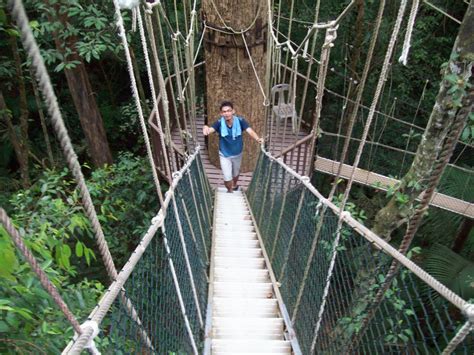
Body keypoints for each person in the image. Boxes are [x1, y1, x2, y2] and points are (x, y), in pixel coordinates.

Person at [203, 101, 263, 193]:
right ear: (221, 113)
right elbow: (209, 130)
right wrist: (205, 127)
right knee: (227, 177)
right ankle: (230, 190)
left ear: (233, 111)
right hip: (224, 154)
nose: (227, 113)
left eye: (228, 111)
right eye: (224, 112)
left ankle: (234, 185)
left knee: (235, 174)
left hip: (237, 153)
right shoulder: (219, 123)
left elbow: (249, 131)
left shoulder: (240, 121)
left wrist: (258, 139)